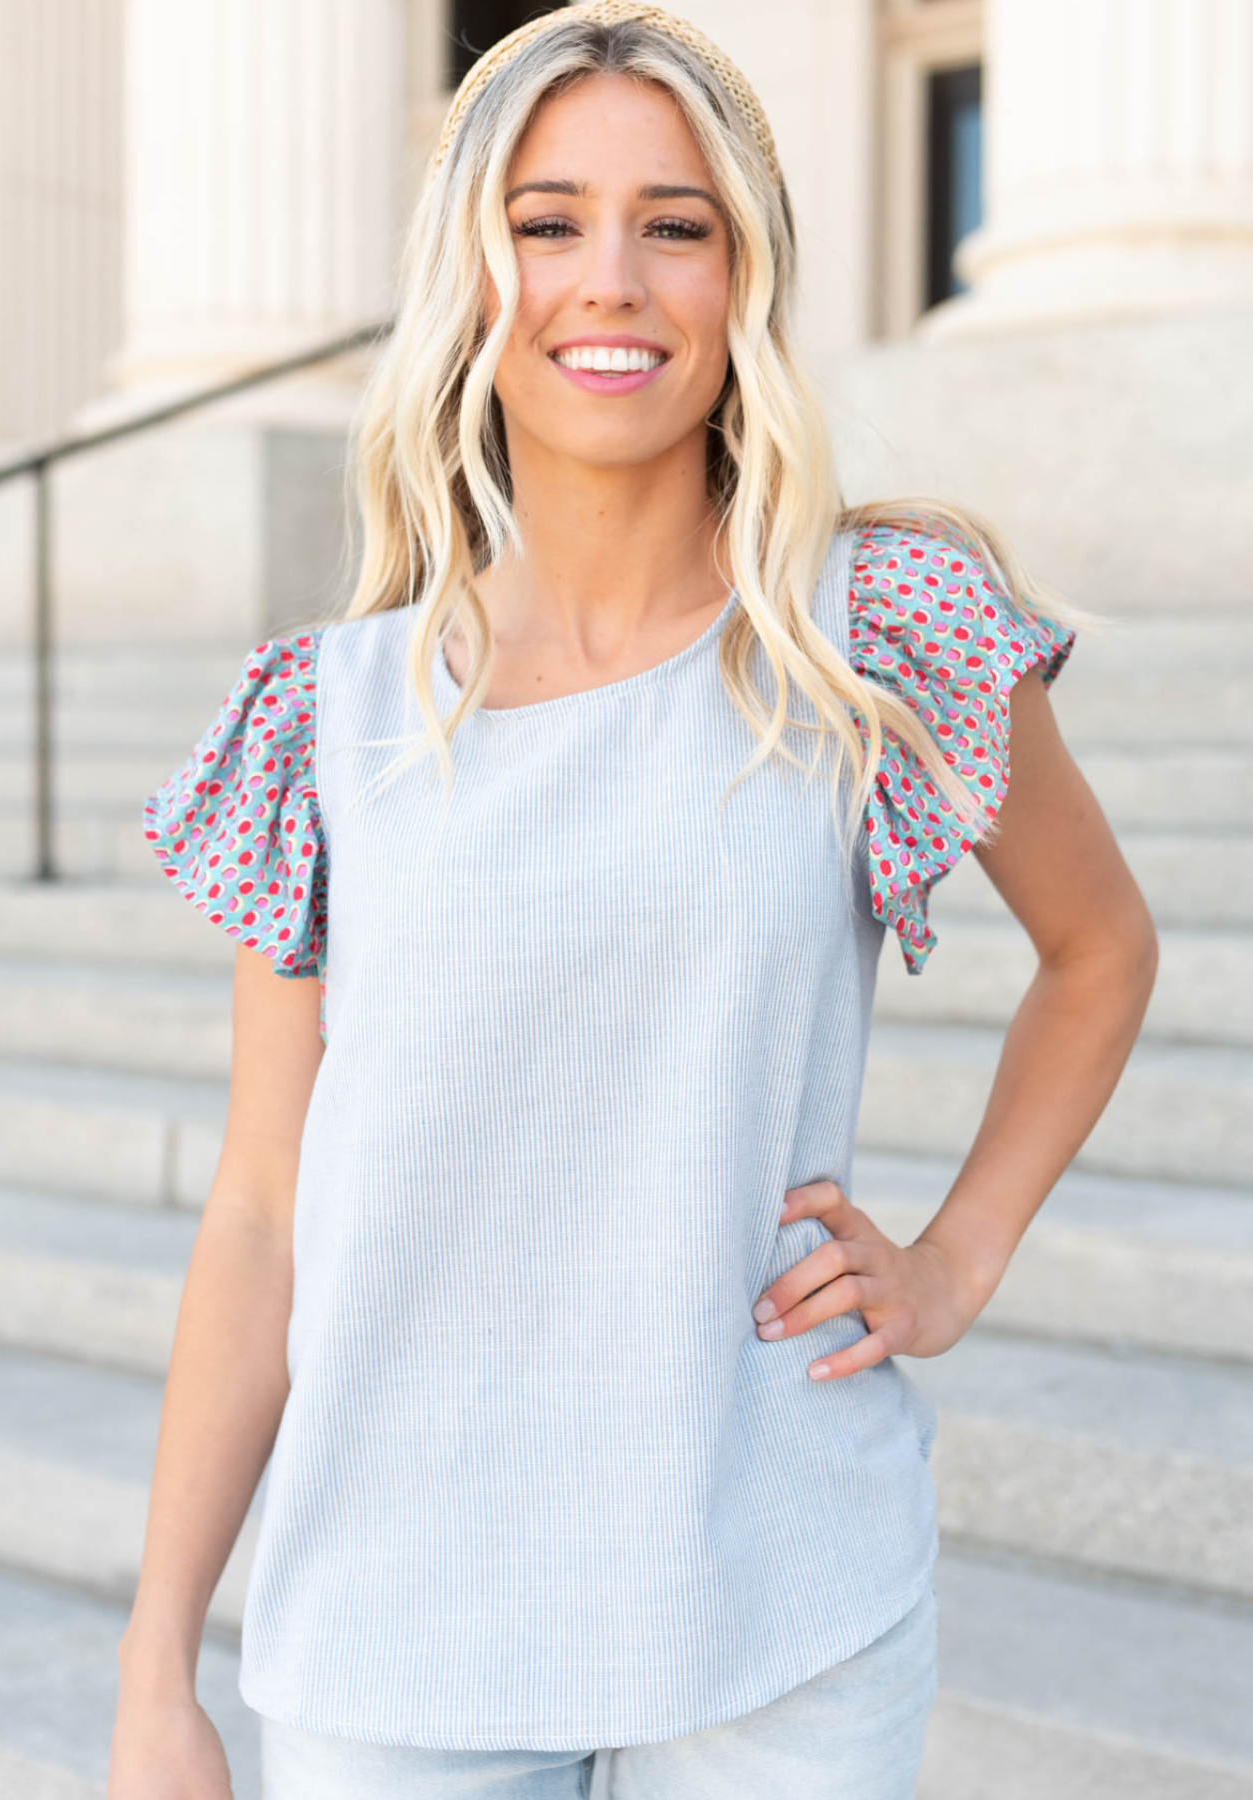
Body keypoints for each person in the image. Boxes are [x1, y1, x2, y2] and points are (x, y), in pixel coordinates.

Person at [108, 4, 1158, 1797]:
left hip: (777, 1600)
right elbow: (264, 1216)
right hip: (394, 1619)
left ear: (741, 275)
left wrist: (956, 1254)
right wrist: (155, 1675)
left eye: (675, 223)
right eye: (546, 221)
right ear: (470, 273)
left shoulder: (874, 630)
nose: (612, 279)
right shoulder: (324, 716)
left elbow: (1098, 949)